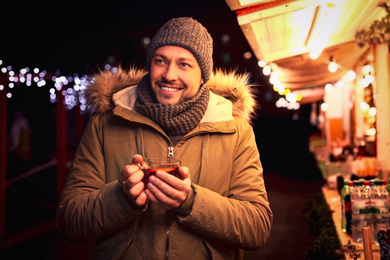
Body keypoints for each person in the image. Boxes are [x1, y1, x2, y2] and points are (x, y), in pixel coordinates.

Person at [56, 17, 273, 259]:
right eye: (161, 61)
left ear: (203, 76)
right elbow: (69, 221)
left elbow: (257, 227)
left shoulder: (236, 131)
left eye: (184, 65)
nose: (169, 75)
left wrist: (191, 202)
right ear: (151, 64)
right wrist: (121, 198)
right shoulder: (105, 124)